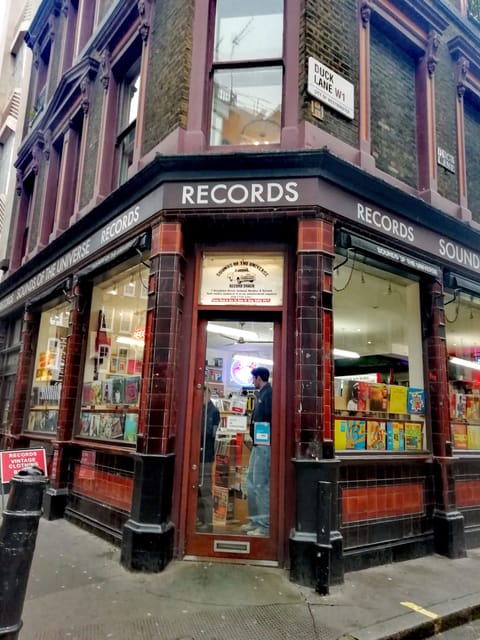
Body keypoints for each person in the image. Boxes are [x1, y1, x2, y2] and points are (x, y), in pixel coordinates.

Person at [242, 367, 272, 537]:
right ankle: (254, 520)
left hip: (264, 446)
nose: (252, 381)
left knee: (261, 484)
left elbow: (270, 420)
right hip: (257, 444)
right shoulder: (261, 394)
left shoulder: (269, 395)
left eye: (253, 378)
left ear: (258, 378)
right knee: (251, 482)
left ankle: (264, 525)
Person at [197, 388, 220, 532]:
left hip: (206, 454)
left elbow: (211, 433)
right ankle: (200, 519)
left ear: (208, 395)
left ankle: (208, 522)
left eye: (203, 395)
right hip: (197, 454)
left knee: (205, 489)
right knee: (197, 489)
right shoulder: (200, 409)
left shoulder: (214, 411)